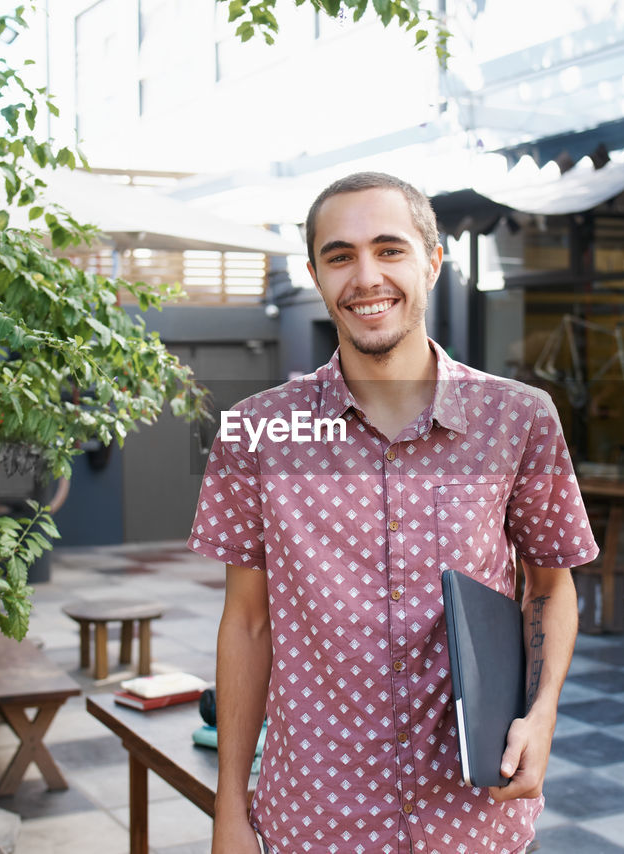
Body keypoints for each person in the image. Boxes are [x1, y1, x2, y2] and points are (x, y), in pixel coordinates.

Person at [189, 172, 598, 854]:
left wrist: (543, 712)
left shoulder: (519, 419)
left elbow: (551, 589)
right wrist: (230, 807)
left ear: (433, 261)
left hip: (472, 820)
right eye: (340, 255)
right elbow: (248, 622)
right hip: (314, 819)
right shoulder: (256, 432)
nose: (365, 276)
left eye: (390, 248)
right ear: (317, 274)